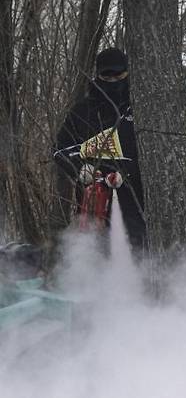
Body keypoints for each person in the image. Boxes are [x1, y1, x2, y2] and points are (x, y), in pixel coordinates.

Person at [53, 48, 145, 251]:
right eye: (107, 75)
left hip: (137, 202)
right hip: (94, 201)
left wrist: (128, 173)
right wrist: (80, 167)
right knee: (95, 252)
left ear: (128, 73)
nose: (112, 81)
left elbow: (155, 154)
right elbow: (60, 149)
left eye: (118, 75)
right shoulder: (82, 111)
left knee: (138, 251)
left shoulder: (140, 109)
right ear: (98, 75)